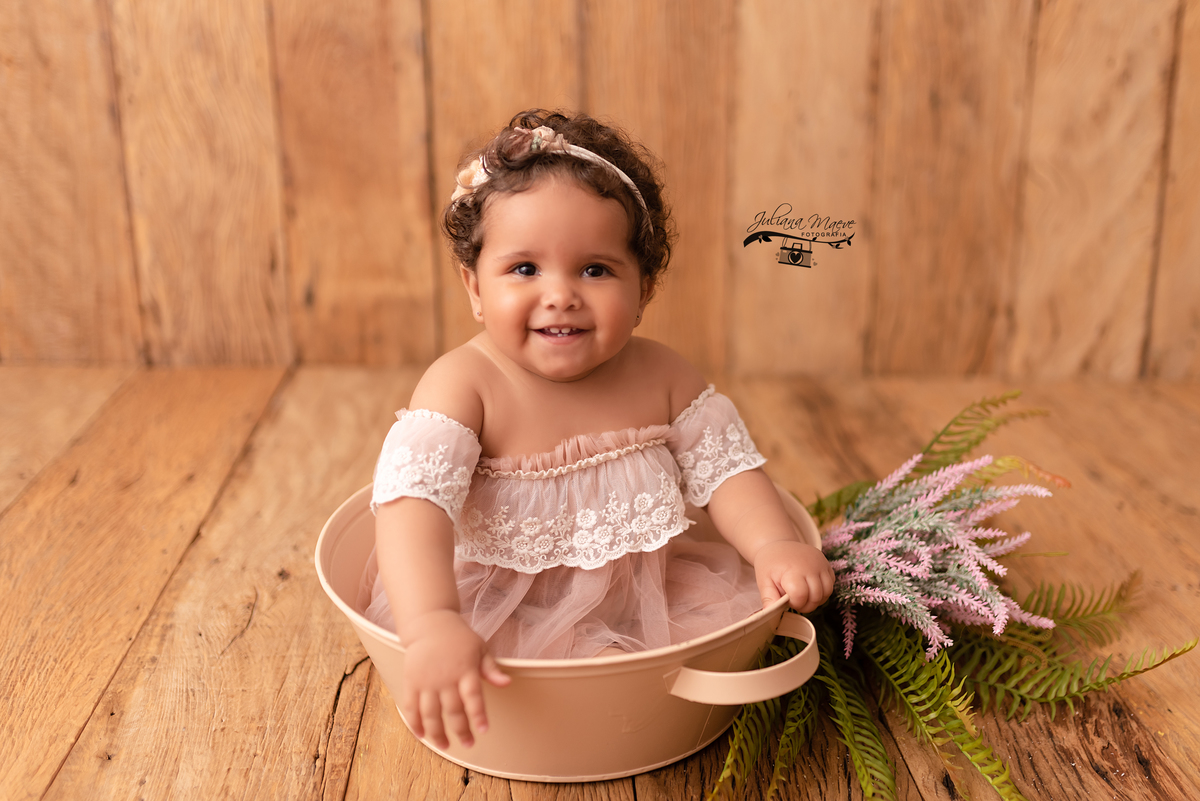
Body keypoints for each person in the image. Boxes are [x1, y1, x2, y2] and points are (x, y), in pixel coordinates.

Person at [363, 109, 834, 752]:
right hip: (493, 606)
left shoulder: (663, 375)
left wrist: (774, 544)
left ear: (643, 290)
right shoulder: (463, 385)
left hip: (648, 601)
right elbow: (413, 510)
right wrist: (432, 622)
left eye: (595, 269)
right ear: (475, 287)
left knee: (681, 650)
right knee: (495, 670)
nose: (561, 295)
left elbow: (728, 474)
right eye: (524, 269)